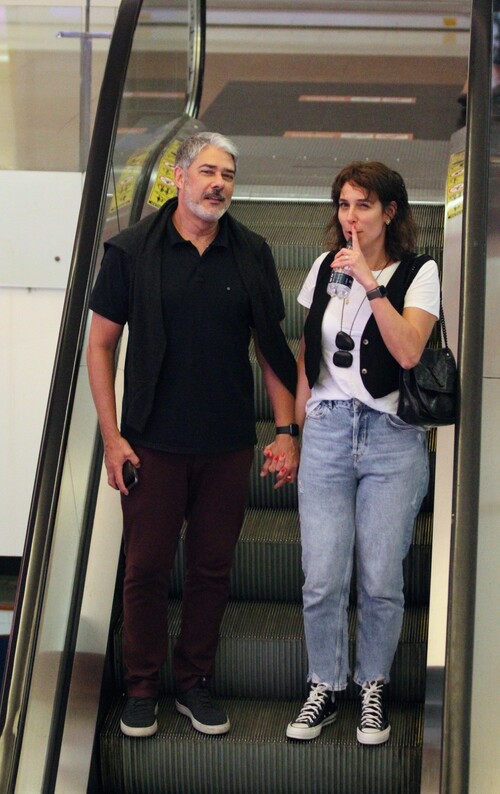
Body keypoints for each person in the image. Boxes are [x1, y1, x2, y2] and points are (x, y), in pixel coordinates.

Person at [87, 131, 299, 739]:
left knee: (212, 568)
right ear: (178, 178)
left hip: (228, 443)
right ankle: (143, 686)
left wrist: (286, 432)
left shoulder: (252, 251)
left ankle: (196, 681)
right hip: (151, 442)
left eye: (228, 175)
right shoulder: (130, 251)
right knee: (146, 569)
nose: (218, 185)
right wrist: (111, 437)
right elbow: (101, 346)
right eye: (208, 171)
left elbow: (271, 348)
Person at [286, 161, 440, 745]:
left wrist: (372, 285)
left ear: (390, 212)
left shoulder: (420, 274)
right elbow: (310, 352)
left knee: (379, 577)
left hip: (391, 438)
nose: (350, 217)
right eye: (344, 205)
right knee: (322, 575)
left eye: (364, 206)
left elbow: (406, 352)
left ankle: (370, 683)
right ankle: (324, 685)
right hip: (327, 429)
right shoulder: (325, 266)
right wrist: (296, 431)